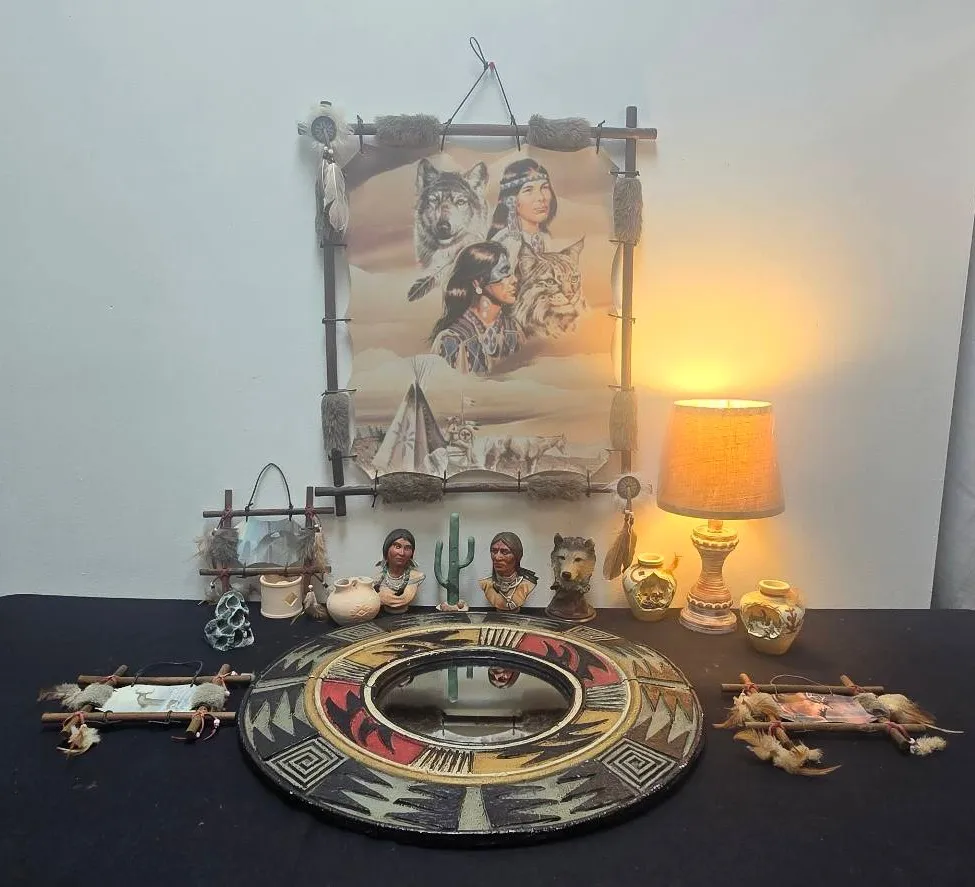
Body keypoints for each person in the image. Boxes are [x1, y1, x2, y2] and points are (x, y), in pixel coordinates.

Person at [430, 241, 521, 375]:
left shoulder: (515, 330)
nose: (514, 280)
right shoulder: (451, 340)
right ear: (477, 282)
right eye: (504, 272)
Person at [487, 159, 557, 261]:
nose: (541, 197)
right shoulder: (506, 243)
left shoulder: (546, 238)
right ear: (512, 200)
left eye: (545, 187)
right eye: (528, 190)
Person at [480, 531, 537, 612]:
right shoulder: (486, 584)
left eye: (505, 552)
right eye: (494, 551)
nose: (497, 557)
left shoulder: (527, 584)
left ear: (517, 556)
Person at [373, 529, 424, 614]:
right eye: (397, 547)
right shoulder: (376, 580)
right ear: (386, 550)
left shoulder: (417, 577)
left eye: (407, 548)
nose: (402, 553)